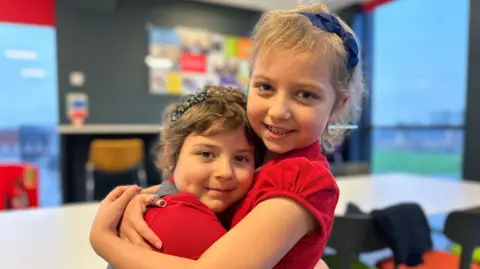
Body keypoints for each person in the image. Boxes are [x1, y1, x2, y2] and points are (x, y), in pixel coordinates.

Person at [90, 1, 365, 268]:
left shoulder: (303, 180)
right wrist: (143, 200)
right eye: (265, 87)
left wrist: (104, 240)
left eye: (306, 94)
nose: (279, 111)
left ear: (337, 105)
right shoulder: (261, 146)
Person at [106, 86, 263, 269]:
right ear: (172, 154)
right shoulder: (184, 220)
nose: (225, 172)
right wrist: (101, 239)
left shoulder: (174, 195)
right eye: (206, 154)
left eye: (240, 158)